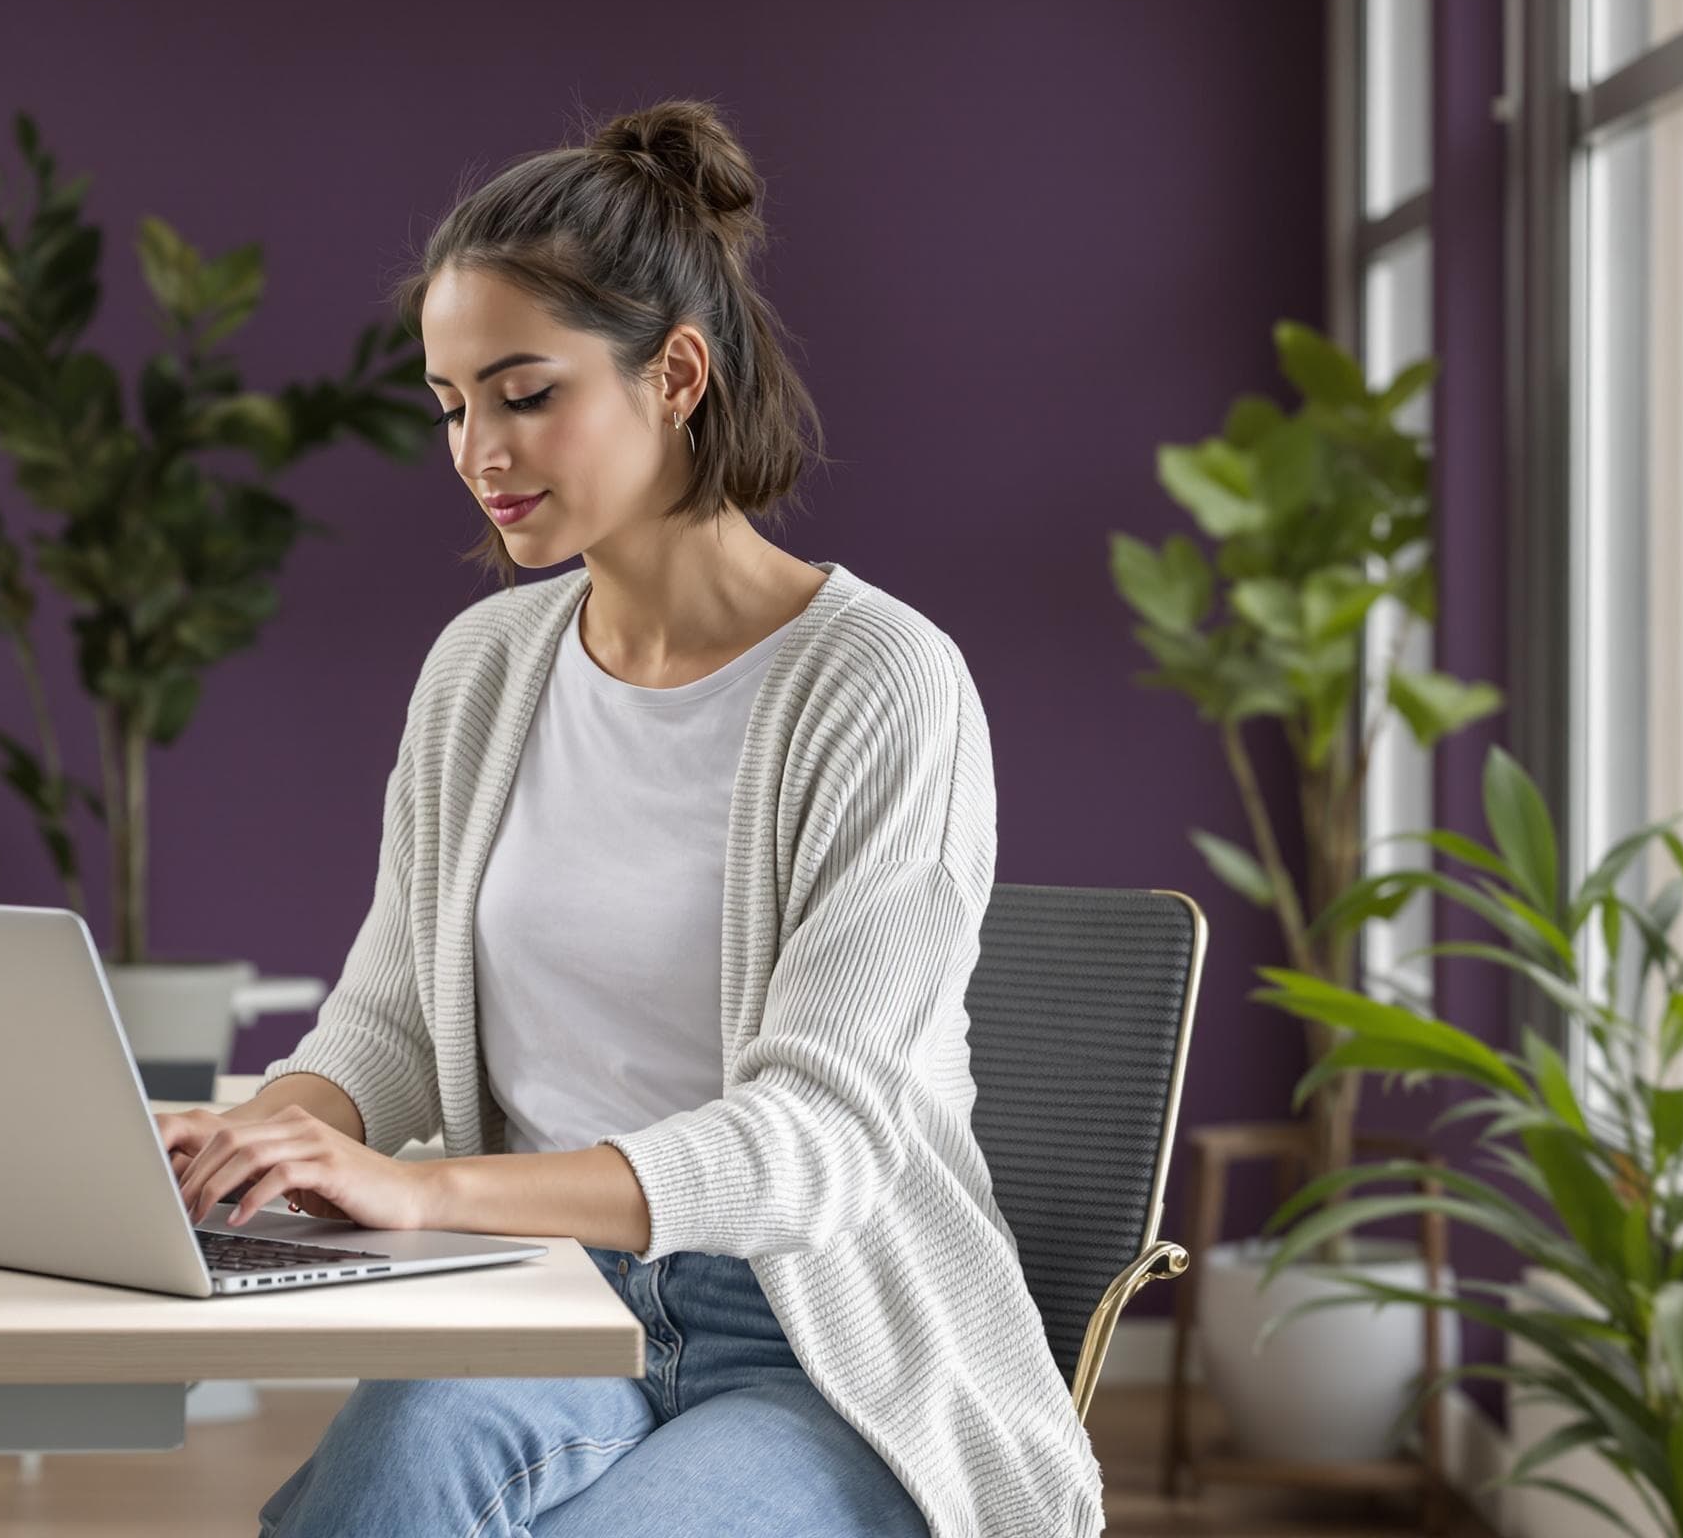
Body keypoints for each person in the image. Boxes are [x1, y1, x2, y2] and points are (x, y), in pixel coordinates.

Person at [152, 97, 1104, 1537]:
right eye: (453, 404)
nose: (480, 447)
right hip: (546, 1295)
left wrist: (431, 1194)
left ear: (675, 373)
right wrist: (266, 1140)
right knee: (366, 1513)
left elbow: (823, 1135)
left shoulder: (879, 681)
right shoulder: (483, 671)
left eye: (524, 392)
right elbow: (396, 1021)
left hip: (821, 1335)